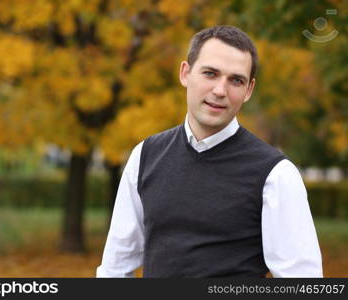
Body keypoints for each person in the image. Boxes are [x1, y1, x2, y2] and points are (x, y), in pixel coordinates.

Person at [96, 25, 322, 278]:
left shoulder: (275, 174)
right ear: (185, 73)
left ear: (248, 90)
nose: (220, 91)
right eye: (210, 74)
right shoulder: (146, 155)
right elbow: (115, 268)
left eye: (236, 80)